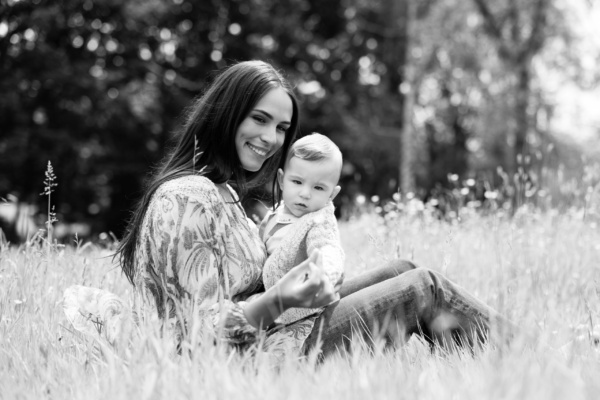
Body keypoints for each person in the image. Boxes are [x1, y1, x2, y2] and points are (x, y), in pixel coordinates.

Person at [63, 60, 513, 362]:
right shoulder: (186, 197)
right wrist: (284, 299)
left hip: (275, 331)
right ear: (226, 112)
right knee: (423, 287)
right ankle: (529, 356)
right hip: (258, 357)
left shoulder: (226, 197)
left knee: (403, 267)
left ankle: (492, 363)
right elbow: (198, 334)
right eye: (259, 119)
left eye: (281, 127)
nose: (272, 138)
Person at [258, 133, 345, 351]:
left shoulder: (318, 220)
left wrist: (324, 273)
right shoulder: (274, 214)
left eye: (318, 188)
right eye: (297, 182)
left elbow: (327, 248)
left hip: (307, 308)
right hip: (273, 308)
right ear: (281, 180)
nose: (305, 194)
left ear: (332, 194)